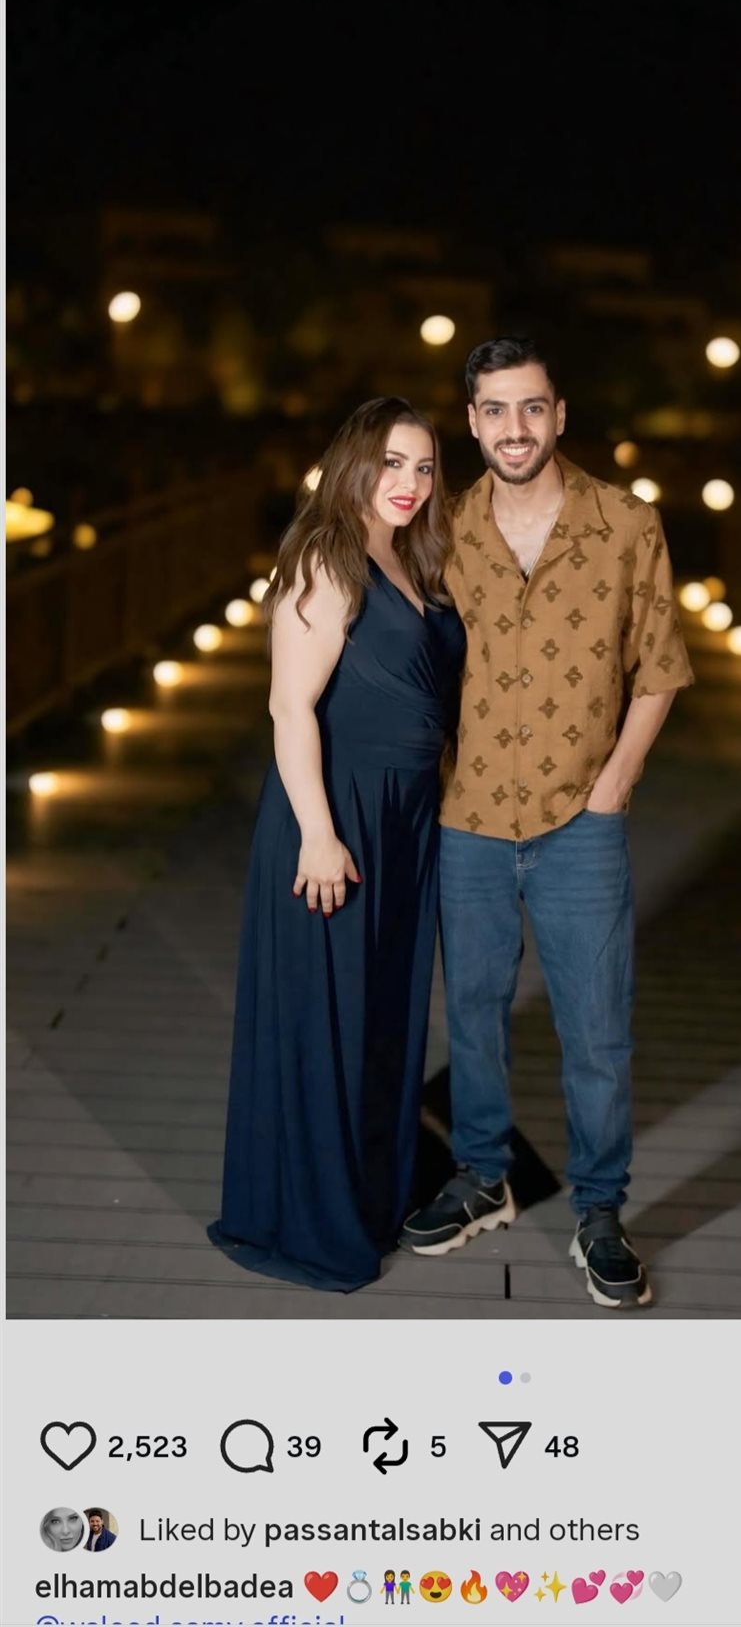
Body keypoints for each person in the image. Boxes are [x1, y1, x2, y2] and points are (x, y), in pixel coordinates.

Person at [401, 337, 694, 1308]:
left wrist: (614, 786)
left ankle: (600, 1212)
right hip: (470, 815)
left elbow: (659, 667)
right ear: (472, 421)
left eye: (531, 407)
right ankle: (483, 1175)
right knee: (473, 1013)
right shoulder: (442, 529)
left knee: (597, 1029)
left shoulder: (626, 524)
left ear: (560, 414)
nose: (514, 427)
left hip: (581, 821)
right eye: (494, 410)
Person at [208, 399, 464, 1290]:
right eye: (393, 462)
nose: (410, 483)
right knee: (330, 1013)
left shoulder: (411, 557)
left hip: (407, 817)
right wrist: (318, 835)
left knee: (385, 1011)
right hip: (338, 809)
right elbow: (289, 707)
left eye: (424, 467)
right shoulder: (327, 554)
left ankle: (369, 1191)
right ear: (356, 462)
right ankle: (312, 1216)